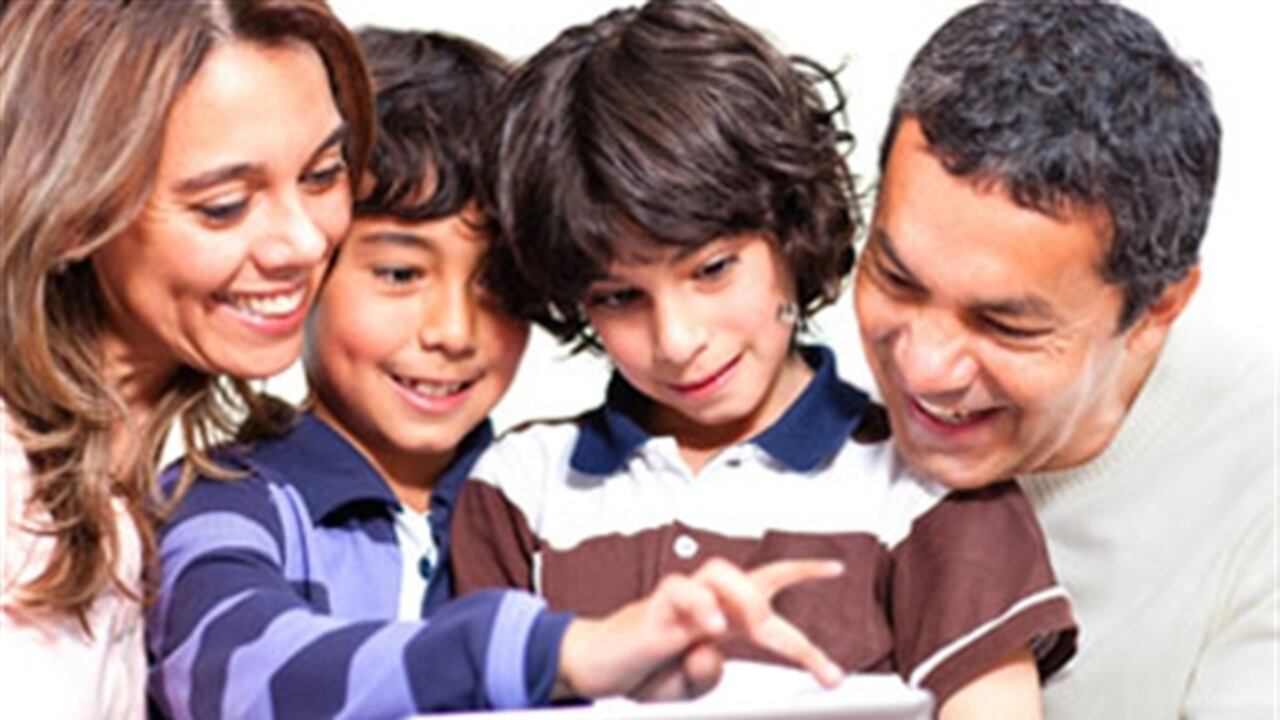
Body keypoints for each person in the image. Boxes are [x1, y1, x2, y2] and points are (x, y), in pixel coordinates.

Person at [147, 27, 844, 719]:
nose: (452, 331)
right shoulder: (221, 502)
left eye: (498, 289)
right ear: (312, 263)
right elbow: (236, 673)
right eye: (399, 273)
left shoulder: (542, 504)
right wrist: (551, 655)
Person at [451, 1, 1077, 717]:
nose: (679, 340)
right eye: (621, 296)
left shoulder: (929, 483)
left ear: (790, 226)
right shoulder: (519, 490)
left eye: (713, 268)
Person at [854, 2, 1275, 717]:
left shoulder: (1261, 496)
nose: (923, 368)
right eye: (897, 281)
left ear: (1155, 311)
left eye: (1005, 325)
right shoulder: (779, 384)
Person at [0, 1, 374, 717]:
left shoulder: (141, 488)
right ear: (71, 212)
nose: (300, 242)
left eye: (323, 175)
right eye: (226, 206)